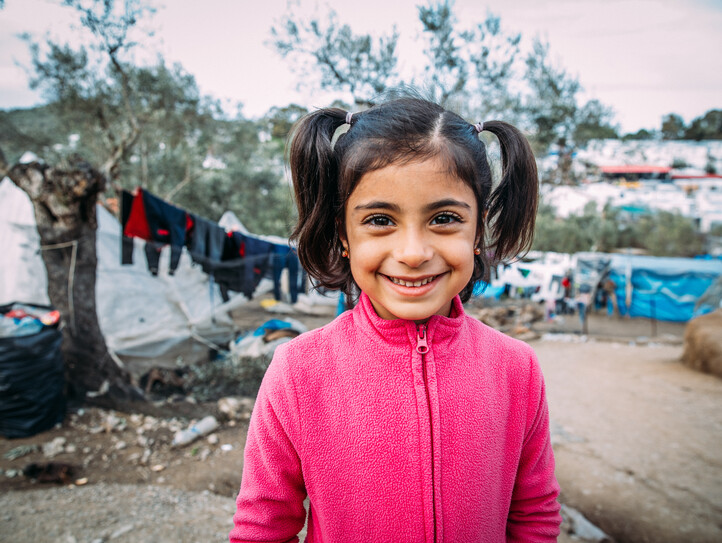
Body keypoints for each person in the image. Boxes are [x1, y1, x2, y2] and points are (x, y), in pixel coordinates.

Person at [230, 97, 561, 542]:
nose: (412, 252)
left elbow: (535, 516)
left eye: (444, 219)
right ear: (343, 234)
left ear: (478, 232)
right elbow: (262, 529)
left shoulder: (516, 370)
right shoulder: (297, 372)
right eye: (380, 220)